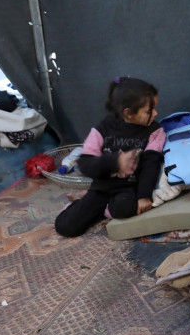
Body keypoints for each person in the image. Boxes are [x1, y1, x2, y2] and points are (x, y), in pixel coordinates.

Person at [54, 77, 165, 237]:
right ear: (128, 113)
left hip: (128, 189)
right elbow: (85, 164)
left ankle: (102, 208)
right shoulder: (103, 129)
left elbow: (151, 164)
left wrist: (144, 196)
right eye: (149, 111)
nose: (155, 113)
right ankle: (82, 204)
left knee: (124, 208)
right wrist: (115, 161)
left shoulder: (155, 131)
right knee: (65, 227)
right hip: (102, 188)